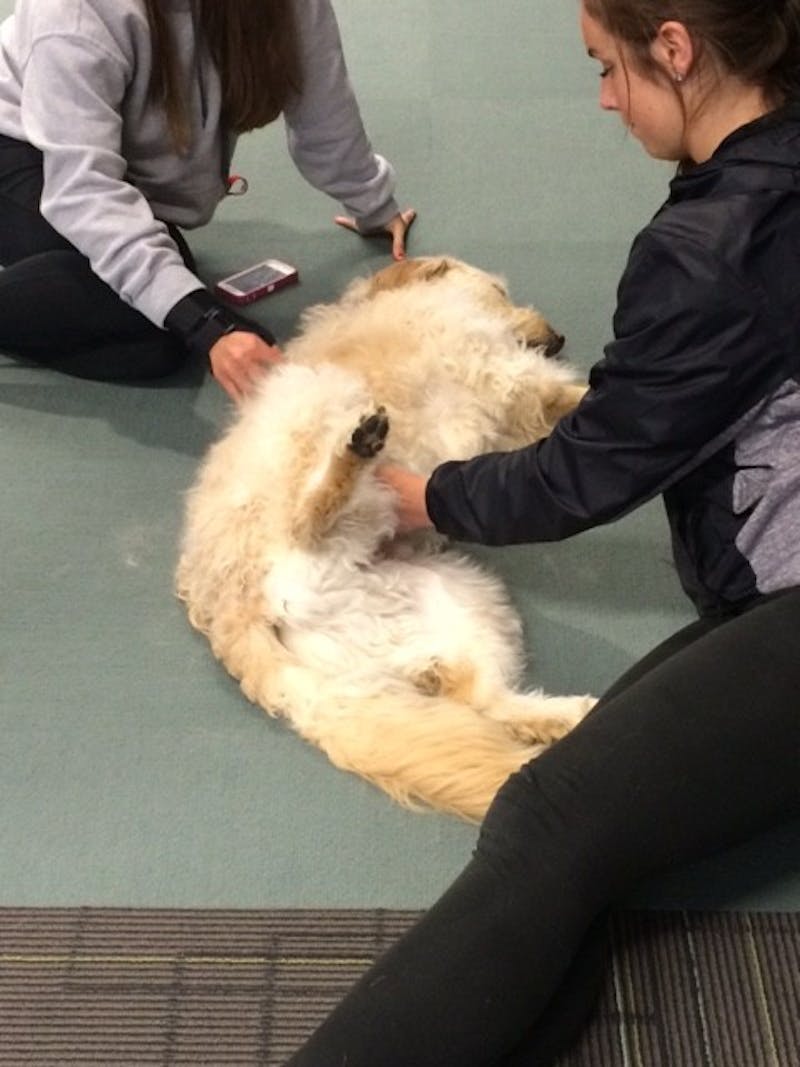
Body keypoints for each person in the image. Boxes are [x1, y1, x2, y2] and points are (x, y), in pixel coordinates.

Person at [283, 1, 800, 1064]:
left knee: (551, 820)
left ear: (675, 46)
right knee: (568, 814)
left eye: (605, 69)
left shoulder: (715, 243)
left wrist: (426, 495)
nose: (603, 101)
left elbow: (592, 465)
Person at [0, 0, 415, 402]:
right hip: (23, 149)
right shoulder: (72, 11)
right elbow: (84, 191)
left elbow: (324, 109)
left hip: (93, 166)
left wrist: (371, 204)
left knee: (156, 343)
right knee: (159, 321)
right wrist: (210, 326)